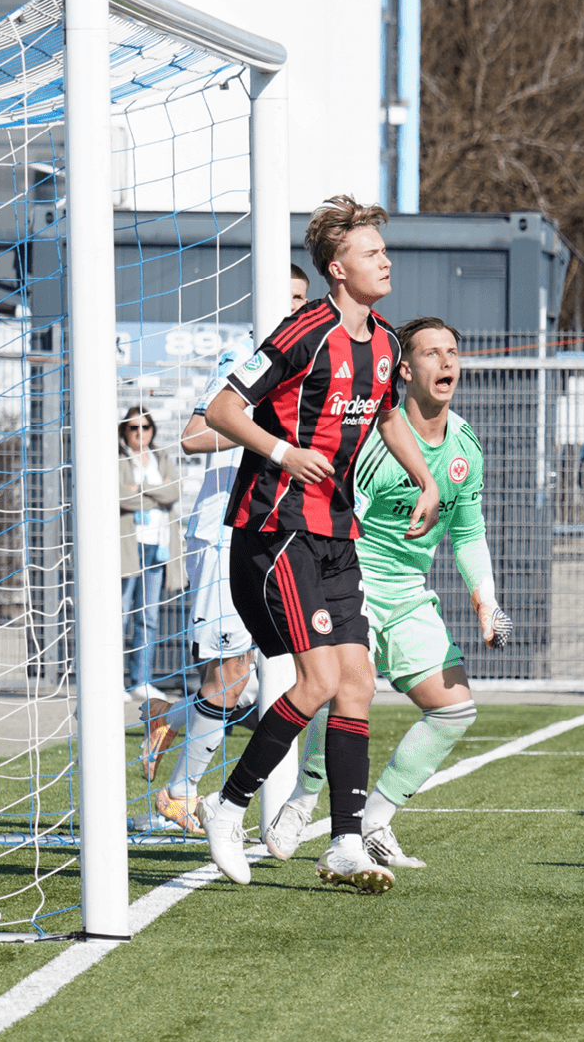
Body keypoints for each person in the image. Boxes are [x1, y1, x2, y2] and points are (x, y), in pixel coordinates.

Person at [197, 195, 440, 894]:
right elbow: (222, 409)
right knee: (319, 681)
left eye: (384, 251)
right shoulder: (304, 331)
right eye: (371, 253)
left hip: (336, 532)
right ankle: (228, 803)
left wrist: (423, 477)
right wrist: (283, 451)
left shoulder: (389, 343)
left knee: (359, 683)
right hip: (276, 529)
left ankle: (342, 845)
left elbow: (391, 415)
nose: (385, 260)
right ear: (337, 268)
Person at [263, 317, 513, 870]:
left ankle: (375, 820)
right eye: (431, 353)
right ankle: (303, 800)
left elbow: (469, 533)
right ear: (404, 369)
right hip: (355, 579)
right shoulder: (377, 442)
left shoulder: (464, 447)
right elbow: (339, 515)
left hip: (409, 593)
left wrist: (486, 603)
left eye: (453, 351)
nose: (446, 362)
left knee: (455, 709)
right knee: (353, 689)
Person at [129, 270, 313, 834]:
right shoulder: (244, 353)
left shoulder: (312, 358)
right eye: (286, 296)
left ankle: (170, 716)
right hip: (229, 531)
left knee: (279, 679)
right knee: (232, 676)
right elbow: (193, 434)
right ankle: (181, 793)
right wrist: (262, 428)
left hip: (284, 530)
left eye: (303, 299)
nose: (295, 306)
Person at [118, 406, 183, 704]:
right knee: (118, 616)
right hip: (129, 547)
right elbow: (120, 495)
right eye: (134, 428)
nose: (140, 433)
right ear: (125, 431)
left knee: (149, 617)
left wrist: (142, 487)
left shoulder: (161, 457)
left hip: (158, 547)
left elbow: (173, 493)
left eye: (145, 427)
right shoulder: (118, 458)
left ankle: (140, 682)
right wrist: (155, 491)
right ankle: (112, 680)